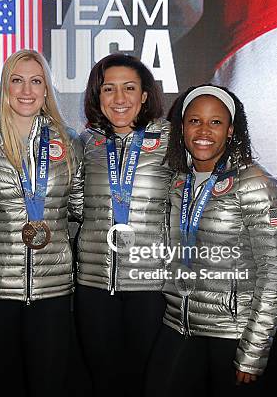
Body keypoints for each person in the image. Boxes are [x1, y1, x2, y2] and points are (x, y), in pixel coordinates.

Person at [144, 84, 277, 396]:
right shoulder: (178, 180)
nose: (203, 130)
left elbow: (276, 273)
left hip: (231, 332)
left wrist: (253, 351)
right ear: (182, 127)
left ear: (230, 131)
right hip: (178, 323)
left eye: (215, 122)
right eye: (194, 120)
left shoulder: (257, 184)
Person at [0, 49, 80, 397]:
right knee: (2, 385)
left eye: (36, 81)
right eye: (17, 80)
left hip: (54, 291)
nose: (26, 90)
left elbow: (81, 209)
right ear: (5, 87)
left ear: (46, 89)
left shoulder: (69, 142)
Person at [69, 53, 172, 397]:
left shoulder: (171, 141)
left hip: (150, 286)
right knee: (103, 381)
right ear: (98, 97)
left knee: (149, 382)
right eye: (109, 89)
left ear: (145, 95)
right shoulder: (88, 143)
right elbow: (76, 202)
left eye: (129, 88)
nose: (119, 98)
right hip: (95, 285)